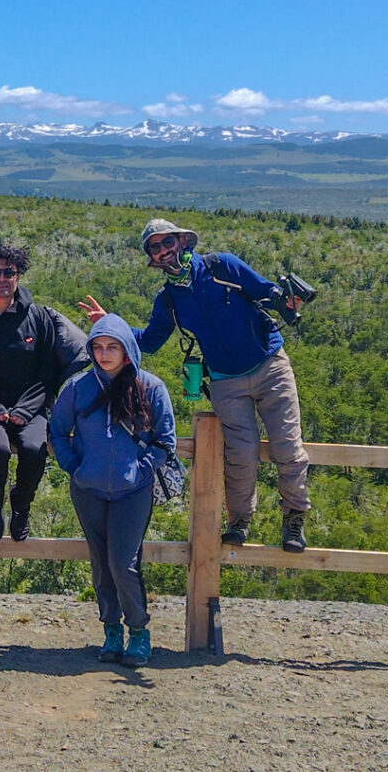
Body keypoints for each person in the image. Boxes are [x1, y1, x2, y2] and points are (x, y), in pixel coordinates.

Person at [80, 218, 314, 551]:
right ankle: (239, 521)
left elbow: (267, 292)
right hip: (224, 381)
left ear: (183, 242)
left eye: (167, 242)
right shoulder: (169, 301)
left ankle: (293, 519)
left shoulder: (223, 267)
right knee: (240, 454)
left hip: (270, 364)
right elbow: (148, 341)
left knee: (287, 448)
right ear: (151, 257)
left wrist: (288, 300)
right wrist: (109, 324)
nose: (163, 251)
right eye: (155, 247)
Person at [49, 314, 176, 668]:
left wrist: (140, 470)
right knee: (101, 565)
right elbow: (57, 432)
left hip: (133, 491)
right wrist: (74, 467)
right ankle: (111, 630)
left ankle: (138, 631)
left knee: (123, 563)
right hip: (87, 489)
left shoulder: (150, 387)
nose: (104, 354)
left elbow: (166, 441)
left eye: (112, 347)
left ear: (127, 350)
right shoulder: (77, 387)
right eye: (98, 347)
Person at [0, 240, 87, 541]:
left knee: (35, 448)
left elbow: (48, 373)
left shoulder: (38, 318)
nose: (1, 279)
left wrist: (25, 410)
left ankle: (21, 507)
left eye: (8, 273)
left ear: (17, 277)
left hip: (32, 408)